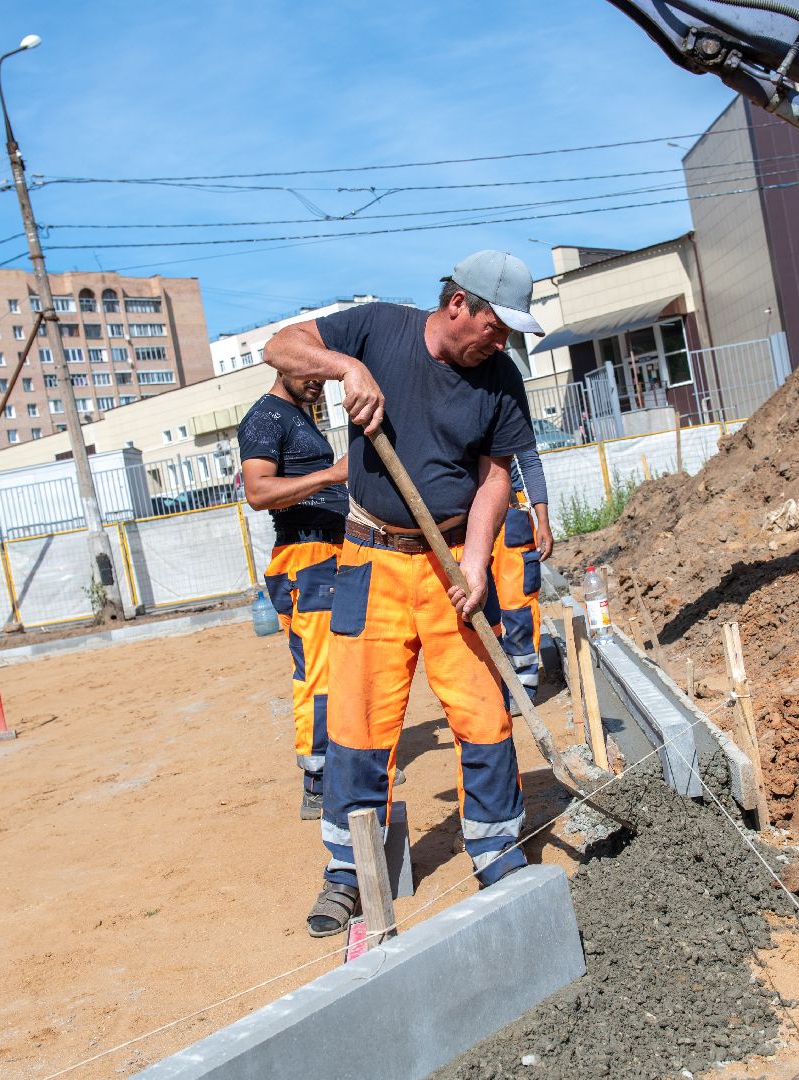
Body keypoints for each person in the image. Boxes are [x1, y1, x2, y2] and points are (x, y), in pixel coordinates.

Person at [263, 249, 543, 937]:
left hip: (449, 562)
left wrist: (476, 562)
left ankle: (495, 848)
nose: (501, 341)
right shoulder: (377, 329)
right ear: (459, 306)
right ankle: (348, 875)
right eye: (495, 326)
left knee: (484, 713)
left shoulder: (501, 379)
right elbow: (281, 345)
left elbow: (495, 475)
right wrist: (347, 369)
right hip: (370, 560)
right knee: (357, 725)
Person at [237, 373, 348, 820]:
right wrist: (334, 474)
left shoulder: (298, 415)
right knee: (319, 672)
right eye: (313, 374)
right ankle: (318, 783)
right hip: (307, 557)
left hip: (328, 554)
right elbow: (258, 491)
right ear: (285, 366)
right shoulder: (265, 418)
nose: (320, 383)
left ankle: (342, 765)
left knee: (343, 666)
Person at [485, 448, 553, 709]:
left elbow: (528, 458)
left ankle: (522, 688)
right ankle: (492, 685)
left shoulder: (506, 407)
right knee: (474, 607)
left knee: (518, 607)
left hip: (509, 511)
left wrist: (542, 519)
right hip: (461, 517)